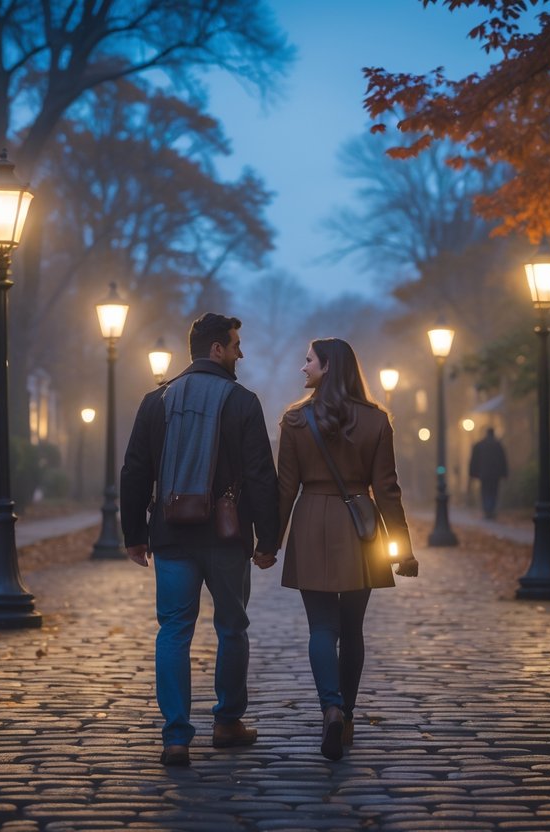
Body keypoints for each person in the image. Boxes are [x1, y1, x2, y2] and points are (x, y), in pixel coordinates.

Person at [120, 313, 280, 768]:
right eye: (235, 345)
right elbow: (261, 477)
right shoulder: (243, 402)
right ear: (216, 349)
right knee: (232, 628)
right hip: (227, 538)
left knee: (173, 630)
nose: (240, 353)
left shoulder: (156, 400)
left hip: (170, 535)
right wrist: (268, 539)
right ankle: (227, 723)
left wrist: (134, 534)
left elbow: (134, 470)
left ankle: (176, 737)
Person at [266, 337, 418, 761]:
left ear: (328, 366)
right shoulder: (376, 421)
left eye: (309, 360)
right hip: (361, 528)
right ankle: (347, 715)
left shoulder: (295, 422)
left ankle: (329, 707)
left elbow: (284, 490)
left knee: (321, 628)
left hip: (312, 520)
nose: (303, 368)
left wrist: (270, 543)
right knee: (352, 630)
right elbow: (388, 490)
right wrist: (402, 549)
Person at [468, 427, 509, 520]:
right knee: (494, 492)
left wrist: (473, 473)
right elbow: (503, 460)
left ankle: (487, 510)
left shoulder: (480, 445)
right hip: (495, 474)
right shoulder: (498, 445)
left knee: (485, 492)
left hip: (484, 474)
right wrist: (504, 473)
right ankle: (491, 510)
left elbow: (474, 460)